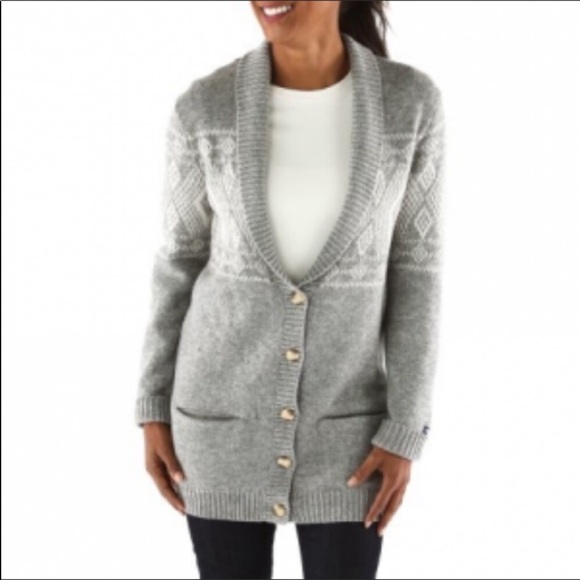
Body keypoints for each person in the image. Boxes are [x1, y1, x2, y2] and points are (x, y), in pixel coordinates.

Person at [135, 1, 446, 578]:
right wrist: (152, 404)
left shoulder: (410, 104)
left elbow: (417, 272)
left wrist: (406, 426)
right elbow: (178, 261)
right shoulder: (203, 108)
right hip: (218, 425)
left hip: (350, 435)